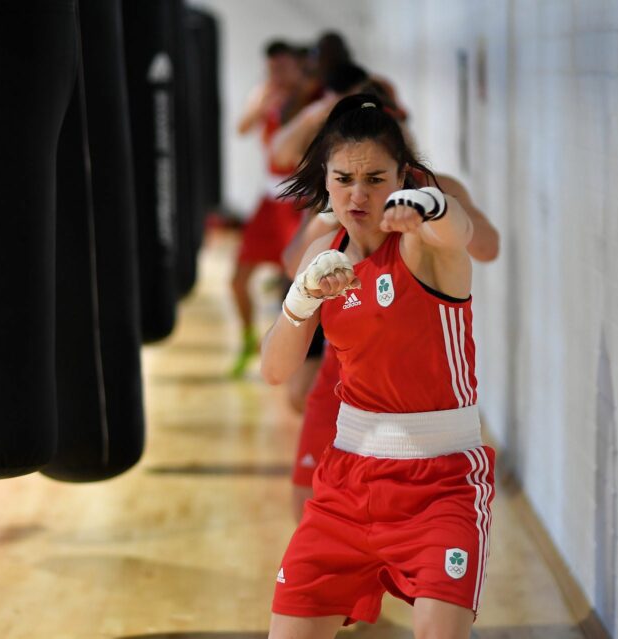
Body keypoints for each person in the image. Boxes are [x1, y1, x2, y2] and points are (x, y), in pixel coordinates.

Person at [261, 94, 495, 638]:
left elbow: (457, 230)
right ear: (326, 177)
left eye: (374, 178)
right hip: (346, 483)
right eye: (343, 178)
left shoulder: (422, 245)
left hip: (440, 484)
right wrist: (301, 298)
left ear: (402, 176)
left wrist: (430, 206)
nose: (357, 193)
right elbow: (275, 371)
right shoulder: (325, 249)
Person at [230, 40, 316, 377]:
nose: (277, 75)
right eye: (272, 69)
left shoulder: (312, 101)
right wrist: (264, 102)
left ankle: (300, 356)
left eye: (283, 68)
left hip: (300, 202)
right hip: (269, 200)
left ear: (298, 66)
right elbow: (241, 127)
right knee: (238, 280)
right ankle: (248, 340)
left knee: (298, 283)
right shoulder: (265, 93)